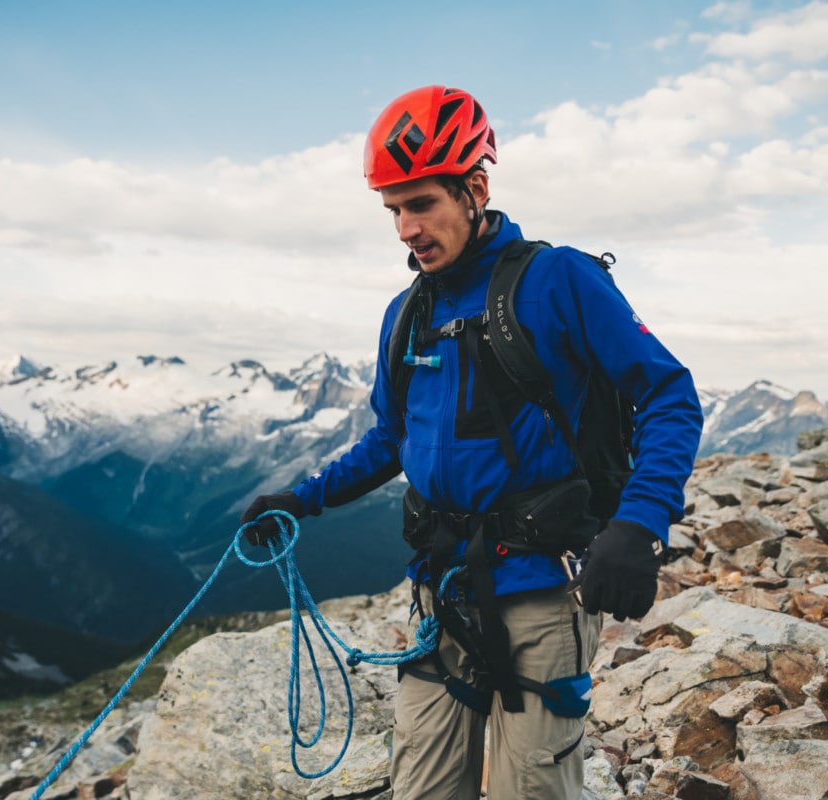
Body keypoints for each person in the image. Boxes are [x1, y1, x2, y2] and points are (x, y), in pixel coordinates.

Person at [242, 85, 703, 800]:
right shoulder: (407, 313)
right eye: (392, 209)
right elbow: (393, 438)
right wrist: (301, 500)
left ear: (475, 188)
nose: (404, 228)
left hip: (545, 593)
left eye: (420, 203)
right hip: (440, 594)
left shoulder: (557, 280)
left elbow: (668, 393)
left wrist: (639, 523)